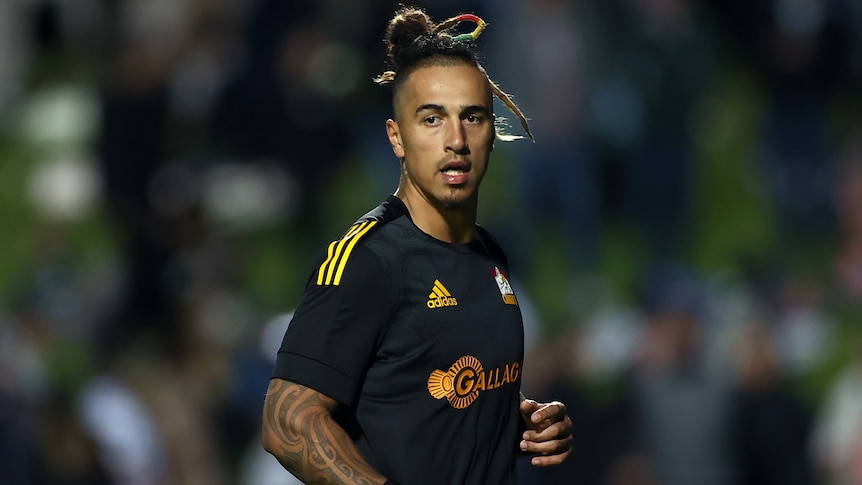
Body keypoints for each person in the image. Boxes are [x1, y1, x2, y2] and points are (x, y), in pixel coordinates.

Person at [261, 7, 573, 484]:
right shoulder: (367, 260)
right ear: (397, 137)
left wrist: (520, 425)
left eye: (473, 117)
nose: (456, 140)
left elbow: (431, 403)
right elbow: (287, 421)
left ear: (493, 134)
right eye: (432, 119)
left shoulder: (492, 258)